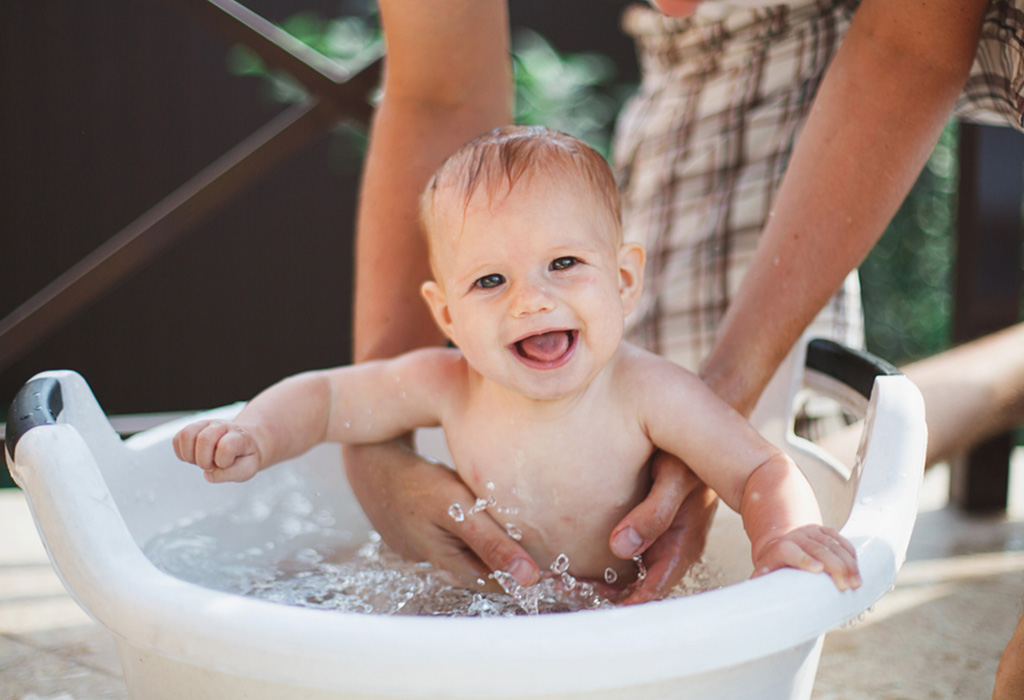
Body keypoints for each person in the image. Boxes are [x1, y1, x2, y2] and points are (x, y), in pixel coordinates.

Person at [174, 126, 861, 594]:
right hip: (487, 605)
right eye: (490, 281)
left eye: (564, 263)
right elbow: (325, 399)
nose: (531, 300)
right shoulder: (449, 385)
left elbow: (762, 470)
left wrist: (784, 537)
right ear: (446, 315)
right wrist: (254, 433)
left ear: (624, 281)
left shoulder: (649, 393)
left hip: (630, 616)